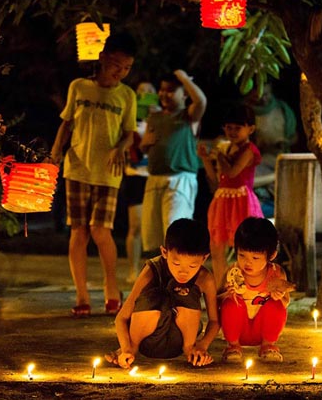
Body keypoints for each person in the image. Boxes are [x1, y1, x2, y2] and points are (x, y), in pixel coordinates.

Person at [50, 32, 137, 317]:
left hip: (108, 172)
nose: (120, 72)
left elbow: (129, 134)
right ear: (102, 58)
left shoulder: (127, 95)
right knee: (79, 230)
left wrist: (120, 148)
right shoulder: (79, 87)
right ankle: (82, 294)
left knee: (101, 231)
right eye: (116, 65)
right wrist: (54, 154)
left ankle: (111, 288)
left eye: (126, 67)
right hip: (77, 167)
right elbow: (66, 124)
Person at [105, 218, 219, 368]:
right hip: (146, 341)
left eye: (192, 265)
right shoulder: (152, 270)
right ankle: (132, 348)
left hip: (182, 342)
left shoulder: (205, 278)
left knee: (187, 292)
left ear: (204, 258)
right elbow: (122, 318)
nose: (183, 272)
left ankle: (189, 349)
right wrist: (127, 347)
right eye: (176, 263)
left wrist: (202, 346)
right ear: (164, 252)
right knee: (156, 296)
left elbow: (214, 321)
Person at [197, 104, 264, 290]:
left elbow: (233, 172)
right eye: (229, 127)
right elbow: (216, 178)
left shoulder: (249, 150)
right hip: (222, 200)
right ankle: (220, 289)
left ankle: (245, 288)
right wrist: (205, 158)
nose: (232, 131)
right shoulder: (225, 150)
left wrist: (218, 155)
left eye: (237, 127)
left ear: (250, 128)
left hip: (241, 200)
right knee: (217, 248)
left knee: (244, 248)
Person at [140, 70, 207, 253]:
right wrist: (144, 145)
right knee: (153, 235)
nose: (163, 94)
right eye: (161, 90)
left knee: (175, 230)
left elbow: (201, 101)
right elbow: (145, 145)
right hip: (154, 179)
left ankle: (179, 276)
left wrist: (184, 79)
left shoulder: (188, 116)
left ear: (184, 93)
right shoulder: (154, 117)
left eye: (170, 90)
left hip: (179, 179)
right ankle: (161, 277)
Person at [218, 217, 292, 363]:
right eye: (242, 255)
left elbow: (285, 303)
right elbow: (217, 299)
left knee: (274, 304)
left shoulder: (276, 274)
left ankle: (268, 346)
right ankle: (233, 346)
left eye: (255, 257)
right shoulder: (232, 272)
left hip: (263, 329)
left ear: (271, 255)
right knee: (232, 303)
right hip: (238, 329)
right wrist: (227, 294)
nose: (247, 262)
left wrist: (279, 296)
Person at [121, 82, 159, 283]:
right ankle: (133, 269)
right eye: (141, 91)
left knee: (156, 226)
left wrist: (156, 116)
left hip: (156, 176)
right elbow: (132, 149)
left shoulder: (161, 118)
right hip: (135, 175)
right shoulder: (130, 121)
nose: (145, 95)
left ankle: (157, 270)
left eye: (150, 92)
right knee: (135, 226)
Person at [243, 83, 297, 218]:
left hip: (281, 159)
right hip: (258, 162)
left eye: (267, 94)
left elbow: (294, 136)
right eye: (258, 96)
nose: (263, 99)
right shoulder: (246, 112)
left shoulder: (282, 109)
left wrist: (285, 142)